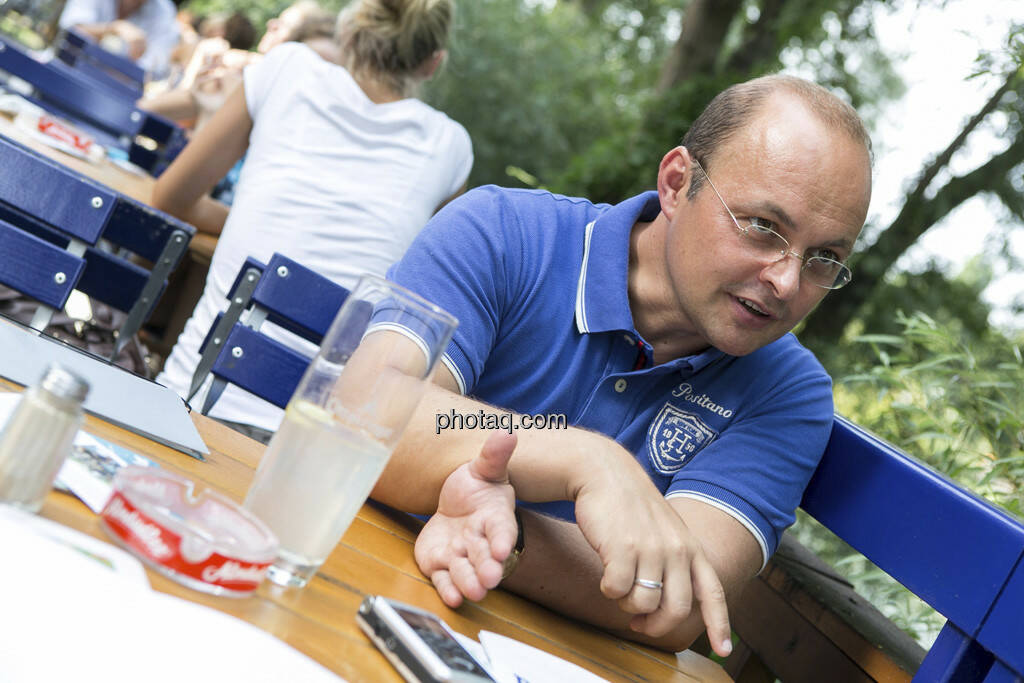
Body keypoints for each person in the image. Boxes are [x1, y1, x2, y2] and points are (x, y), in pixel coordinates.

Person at [366, 75, 873, 656]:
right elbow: (372, 410)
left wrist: (506, 538)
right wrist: (586, 461)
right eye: (763, 227)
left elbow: (681, 601)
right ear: (677, 184)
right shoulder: (504, 233)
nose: (786, 281)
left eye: (825, 258)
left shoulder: (790, 393)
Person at [151, 0, 472, 443]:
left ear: (348, 35)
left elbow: (171, 197)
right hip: (311, 440)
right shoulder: (450, 146)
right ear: (433, 63)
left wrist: (256, 225)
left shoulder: (285, 68)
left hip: (191, 399)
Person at [58, 0, 179, 78]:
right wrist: (114, 28)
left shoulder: (164, 12)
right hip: (67, 68)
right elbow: (69, 29)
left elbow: (155, 70)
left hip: (117, 88)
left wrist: (136, 58)